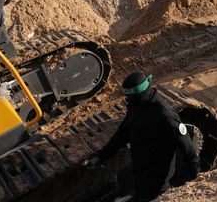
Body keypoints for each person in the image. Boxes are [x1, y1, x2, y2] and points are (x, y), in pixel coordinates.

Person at [85, 72, 199, 202]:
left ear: (142, 93)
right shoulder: (136, 107)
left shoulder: (165, 115)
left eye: (131, 98)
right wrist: (100, 156)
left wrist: (198, 178)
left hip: (157, 183)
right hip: (140, 175)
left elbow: (188, 148)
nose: (128, 101)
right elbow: (121, 136)